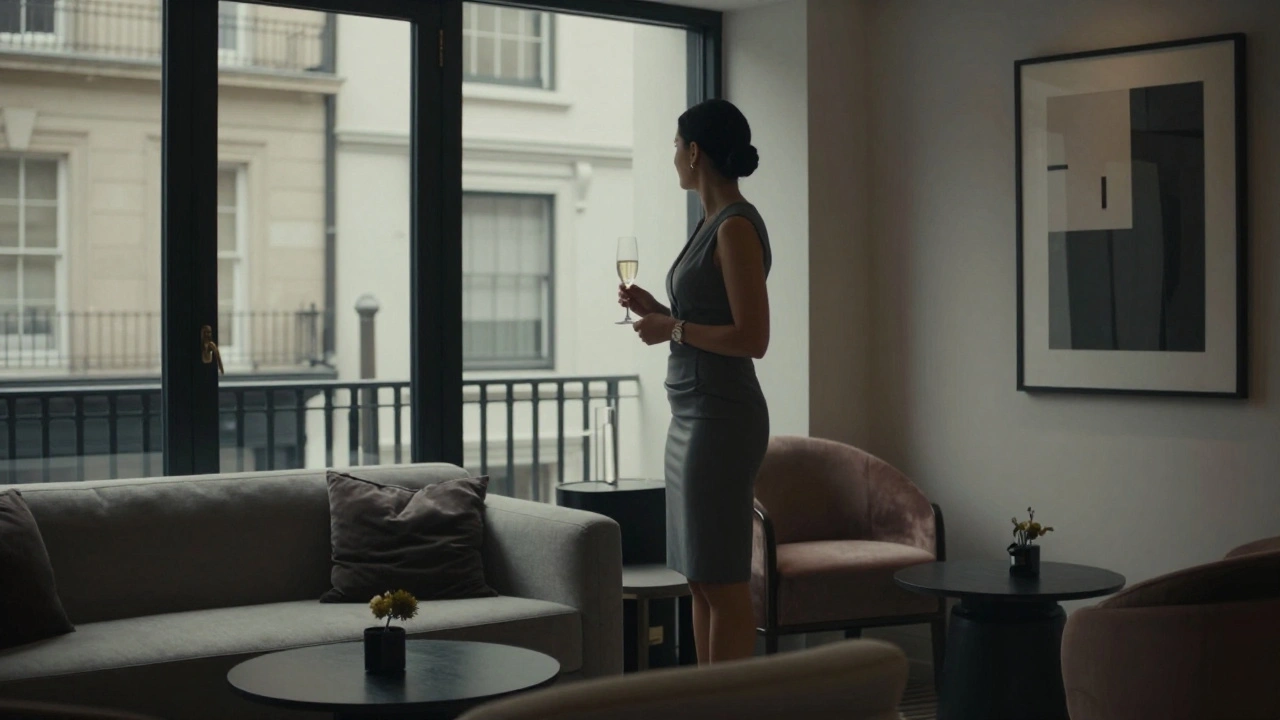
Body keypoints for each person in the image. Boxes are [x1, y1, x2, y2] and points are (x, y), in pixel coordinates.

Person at [619, 98, 771, 665]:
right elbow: (709, 318)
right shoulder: (711, 222)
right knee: (700, 580)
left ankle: (730, 706)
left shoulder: (735, 227)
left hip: (721, 418)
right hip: (692, 417)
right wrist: (659, 310)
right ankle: (707, 699)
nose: (671, 159)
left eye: (674, 147)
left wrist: (672, 328)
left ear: (694, 151)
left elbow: (753, 337)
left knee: (724, 582)